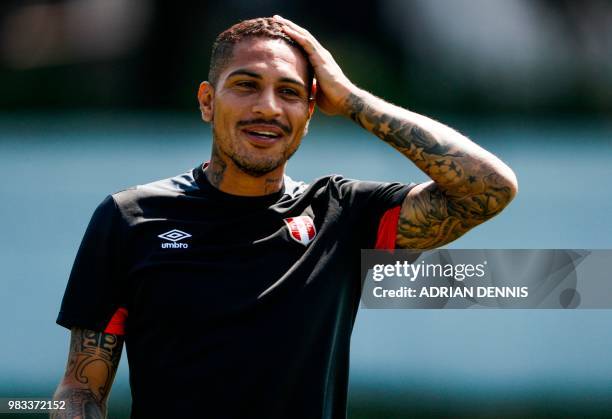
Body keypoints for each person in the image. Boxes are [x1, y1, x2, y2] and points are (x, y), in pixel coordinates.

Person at [51, 16, 517, 419]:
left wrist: (353, 99)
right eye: (246, 85)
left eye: (289, 92)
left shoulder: (342, 213)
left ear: (310, 112)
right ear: (208, 101)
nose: (268, 107)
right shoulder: (130, 218)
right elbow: (81, 389)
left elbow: (489, 188)